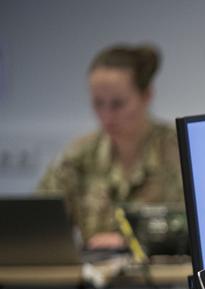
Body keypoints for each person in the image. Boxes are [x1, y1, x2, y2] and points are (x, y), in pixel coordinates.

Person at [37, 43, 184, 250]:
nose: (106, 116)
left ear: (146, 96)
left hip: (168, 279)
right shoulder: (78, 157)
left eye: (118, 104)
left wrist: (132, 242)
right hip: (94, 279)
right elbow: (38, 223)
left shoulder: (181, 152)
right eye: (98, 103)